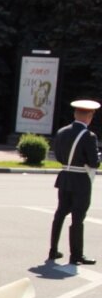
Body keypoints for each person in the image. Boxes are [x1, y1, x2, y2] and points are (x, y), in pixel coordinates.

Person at [49, 99, 99, 264]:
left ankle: (53, 250)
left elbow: (57, 155)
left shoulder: (62, 131)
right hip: (80, 180)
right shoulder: (89, 136)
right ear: (89, 116)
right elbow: (93, 163)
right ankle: (76, 255)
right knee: (78, 218)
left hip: (65, 177)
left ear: (75, 114)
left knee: (60, 214)